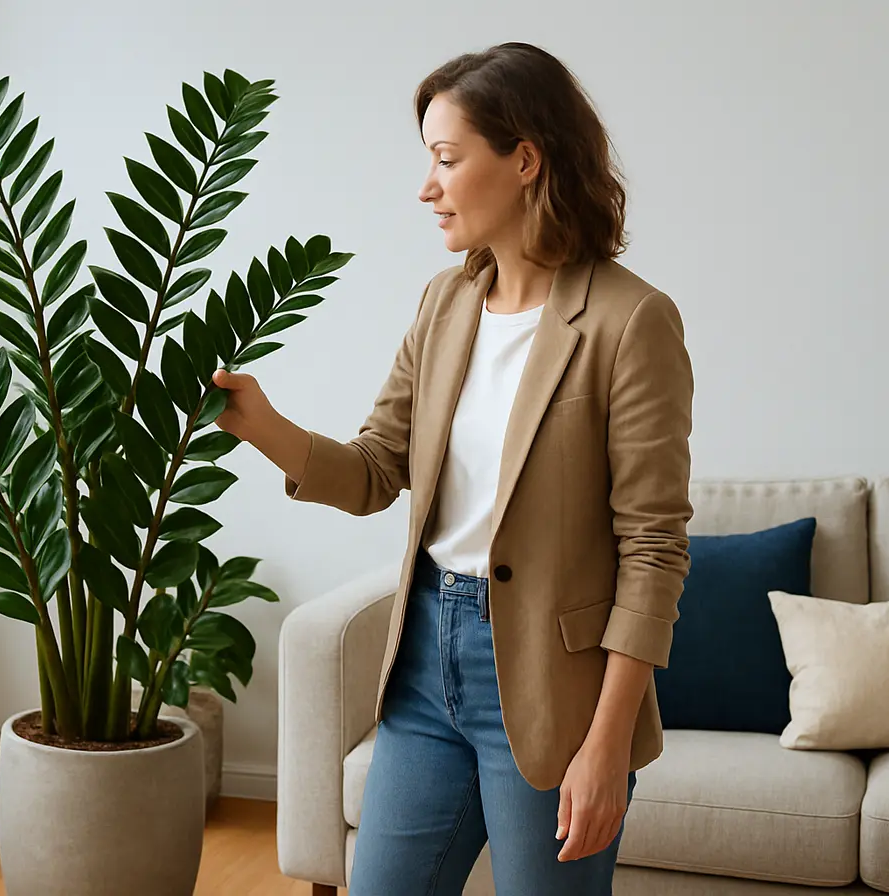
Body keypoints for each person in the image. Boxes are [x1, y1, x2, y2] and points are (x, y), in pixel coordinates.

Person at [212, 42, 694, 895]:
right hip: (427, 662)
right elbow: (374, 471)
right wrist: (261, 425)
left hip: (555, 687)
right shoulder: (445, 304)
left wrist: (608, 740)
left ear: (525, 161)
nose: (425, 187)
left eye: (445, 159)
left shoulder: (631, 321)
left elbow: (652, 548)